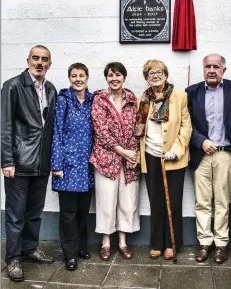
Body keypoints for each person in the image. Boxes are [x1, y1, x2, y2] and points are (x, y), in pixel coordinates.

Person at [1, 45, 56, 282]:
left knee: (35, 212)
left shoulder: (51, 89)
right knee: (16, 214)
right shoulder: (12, 86)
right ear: (28, 61)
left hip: (41, 163)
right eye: (35, 58)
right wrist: (7, 160)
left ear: (50, 64)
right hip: (20, 162)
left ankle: (30, 248)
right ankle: (13, 258)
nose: (40, 63)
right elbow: (5, 126)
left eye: (44, 59)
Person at [185, 53, 231, 264]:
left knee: (222, 201)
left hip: (226, 154)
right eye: (208, 66)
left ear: (223, 70)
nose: (211, 70)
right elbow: (186, 124)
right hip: (201, 153)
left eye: (216, 67)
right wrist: (201, 141)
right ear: (203, 69)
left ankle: (221, 244)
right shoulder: (192, 92)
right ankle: (204, 242)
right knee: (202, 201)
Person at [136, 59, 192, 260]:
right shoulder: (143, 99)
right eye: (151, 73)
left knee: (174, 201)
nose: (156, 76)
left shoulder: (179, 96)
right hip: (151, 155)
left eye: (159, 72)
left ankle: (172, 243)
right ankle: (157, 243)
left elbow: (186, 127)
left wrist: (175, 150)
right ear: (146, 78)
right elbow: (139, 128)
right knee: (156, 201)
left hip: (173, 157)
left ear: (166, 75)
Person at [90, 62, 140, 261]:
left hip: (128, 160)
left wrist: (132, 154)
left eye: (118, 75)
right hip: (105, 158)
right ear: (106, 78)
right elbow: (101, 131)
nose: (114, 79)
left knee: (127, 201)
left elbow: (137, 127)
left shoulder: (131, 99)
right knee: (106, 200)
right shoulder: (100, 99)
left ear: (124, 77)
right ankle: (105, 242)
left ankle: (122, 242)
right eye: (110, 75)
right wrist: (124, 152)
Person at [50, 63, 94, 270]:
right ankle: (69, 254)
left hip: (87, 166)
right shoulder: (63, 100)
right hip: (67, 166)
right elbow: (56, 132)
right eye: (74, 76)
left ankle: (81, 247)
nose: (78, 79)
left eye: (81, 75)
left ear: (87, 78)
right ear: (69, 78)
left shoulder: (93, 100)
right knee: (68, 214)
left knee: (83, 211)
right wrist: (56, 165)